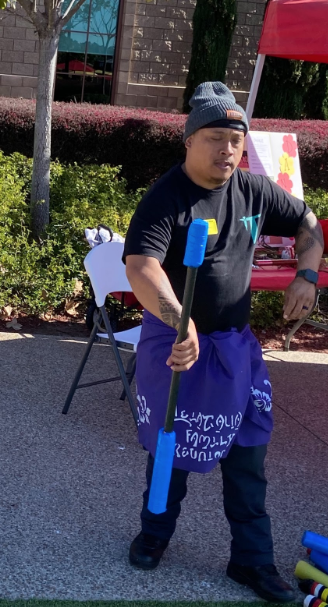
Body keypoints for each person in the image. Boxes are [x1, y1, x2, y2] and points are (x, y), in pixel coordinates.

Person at [123, 82, 324, 602]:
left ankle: (252, 563)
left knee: (247, 456)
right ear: (188, 140)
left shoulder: (254, 191)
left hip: (236, 348)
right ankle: (154, 535)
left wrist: (308, 273)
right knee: (174, 451)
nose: (227, 149)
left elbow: (307, 222)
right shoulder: (166, 197)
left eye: (235, 139)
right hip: (179, 347)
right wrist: (178, 318)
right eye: (214, 137)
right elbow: (142, 267)